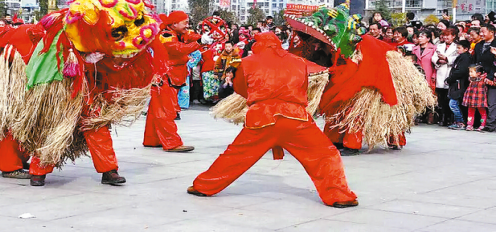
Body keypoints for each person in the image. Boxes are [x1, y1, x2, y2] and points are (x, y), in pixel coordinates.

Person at [187, 33, 358, 208]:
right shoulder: (298, 61)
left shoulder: (247, 62)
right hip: (296, 117)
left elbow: (241, 89)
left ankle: (204, 185)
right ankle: (339, 195)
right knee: (325, 154)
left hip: (262, 117)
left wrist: (260, 100)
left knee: (236, 156)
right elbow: (303, 88)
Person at [144, 11, 198, 152]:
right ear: (174, 24)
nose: (188, 25)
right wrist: (200, 43)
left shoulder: (178, 33)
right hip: (165, 77)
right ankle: (172, 142)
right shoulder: (166, 36)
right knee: (165, 111)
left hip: (171, 76)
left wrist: (204, 38)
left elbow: (190, 36)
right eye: (185, 22)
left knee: (156, 109)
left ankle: (152, 139)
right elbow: (177, 49)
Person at [432, 28, 458, 126]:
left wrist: (447, 59)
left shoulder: (456, 47)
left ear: (454, 36)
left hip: (449, 72)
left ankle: (449, 118)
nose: (446, 37)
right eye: (445, 35)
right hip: (440, 72)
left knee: (449, 98)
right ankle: (442, 117)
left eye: (448, 35)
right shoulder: (439, 46)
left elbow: (457, 58)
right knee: (441, 98)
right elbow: (433, 57)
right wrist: (438, 60)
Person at [472, 24, 496, 132]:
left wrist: (490, 76)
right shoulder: (478, 45)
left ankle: (491, 125)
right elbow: (475, 61)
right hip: (479, 77)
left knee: (491, 102)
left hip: (492, 77)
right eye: (480, 32)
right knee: (480, 102)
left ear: (492, 32)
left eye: (483, 32)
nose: (481, 34)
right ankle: (479, 123)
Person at [446, 40, 472, 130]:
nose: (458, 50)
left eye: (459, 48)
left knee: (453, 103)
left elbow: (461, 71)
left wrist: (450, 79)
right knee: (455, 103)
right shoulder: (461, 57)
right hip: (457, 83)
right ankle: (458, 121)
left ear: (466, 49)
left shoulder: (465, 58)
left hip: (459, 84)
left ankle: (460, 121)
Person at [463, 64, 492, 132]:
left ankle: (482, 124)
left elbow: (491, 83)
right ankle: (470, 124)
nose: (470, 73)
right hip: (471, 97)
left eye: (472, 72)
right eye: (469, 72)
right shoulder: (471, 79)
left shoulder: (484, 79)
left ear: (478, 73)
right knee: (470, 112)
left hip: (480, 98)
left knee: (482, 112)